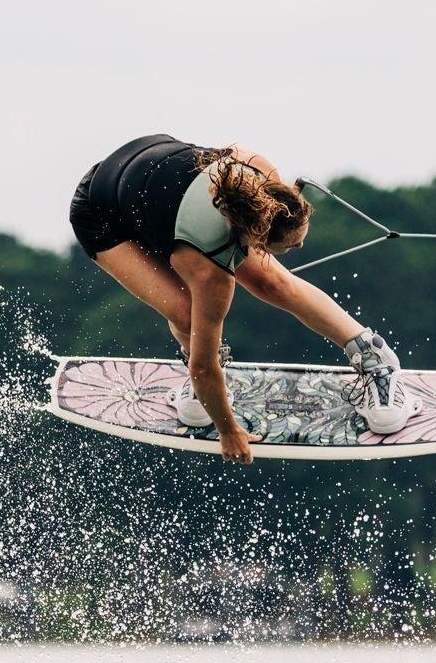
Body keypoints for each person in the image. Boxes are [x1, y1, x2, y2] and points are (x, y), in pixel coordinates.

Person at [68, 133, 416, 463]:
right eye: (292, 245)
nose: (301, 246)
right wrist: (228, 430)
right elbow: (205, 369)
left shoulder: (263, 176)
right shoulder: (210, 274)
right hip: (101, 210)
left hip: (152, 164)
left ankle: (375, 357)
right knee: (186, 313)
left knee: (274, 282)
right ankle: (194, 381)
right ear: (257, 239)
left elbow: (230, 148)